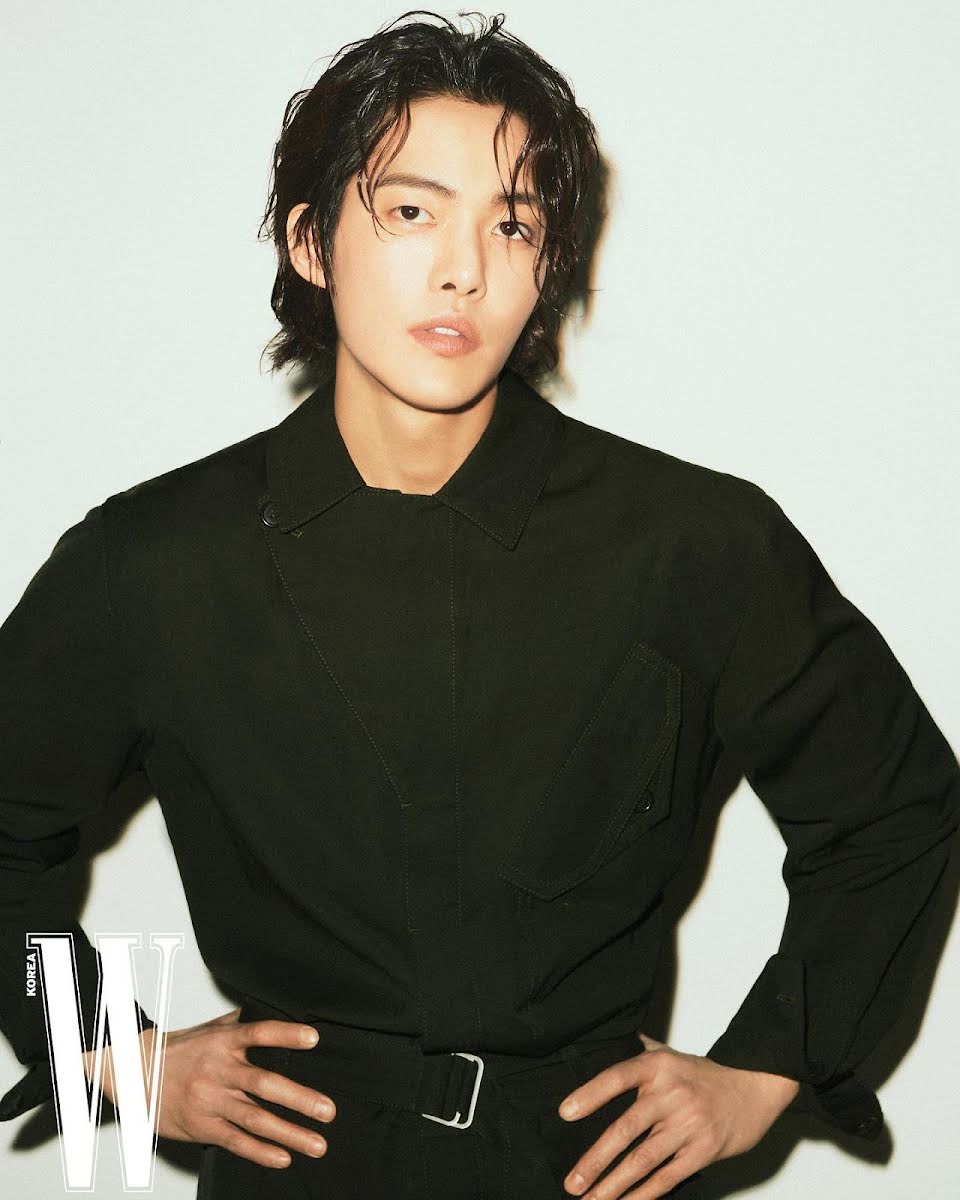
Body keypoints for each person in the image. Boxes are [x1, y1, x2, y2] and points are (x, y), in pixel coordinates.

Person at [1, 10, 957, 1200]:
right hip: (300, 1169)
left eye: (513, 224)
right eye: (412, 212)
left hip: (584, 1170)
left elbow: (893, 808)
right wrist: (106, 1051)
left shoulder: (694, 541)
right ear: (310, 240)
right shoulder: (156, 559)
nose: (465, 269)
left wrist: (770, 1067)